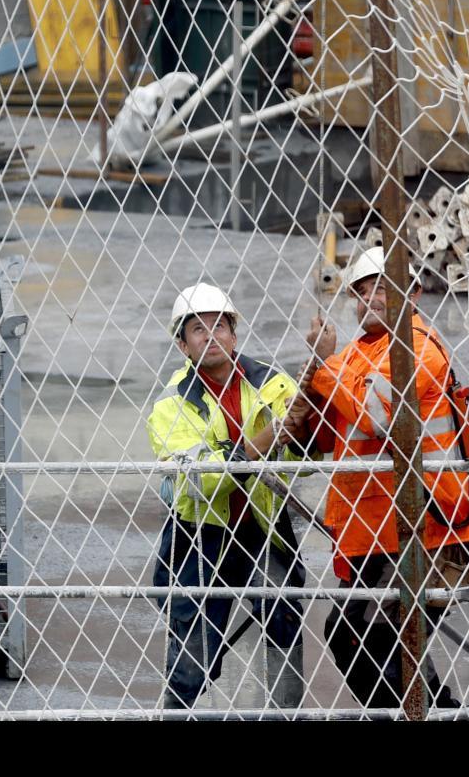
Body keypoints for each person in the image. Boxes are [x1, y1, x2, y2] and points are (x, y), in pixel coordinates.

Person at [299, 248, 469, 708]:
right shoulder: (359, 353)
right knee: (371, 639)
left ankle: (434, 714)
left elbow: (378, 415)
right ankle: (437, 713)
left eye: (381, 288)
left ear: (413, 292)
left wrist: (324, 369)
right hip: (374, 527)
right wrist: (311, 392)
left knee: (365, 635)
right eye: (362, 293)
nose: (369, 300)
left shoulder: (417, 346)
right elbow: (328, 437)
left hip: (422, 524)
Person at [147, 282, 314, 709]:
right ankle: (177, 712)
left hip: (262, 529)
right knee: (192, 654)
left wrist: (305, 420)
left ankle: (283, 715)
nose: (211, 335)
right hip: (202, 536)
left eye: (219, 325)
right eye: (198, 329)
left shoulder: (271, 383)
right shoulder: (171, 404)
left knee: (283, 619)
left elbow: (301, 457)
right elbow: (200, 482)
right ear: (183, 344)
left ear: (234, 334)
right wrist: (269, 437)